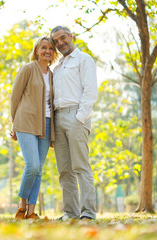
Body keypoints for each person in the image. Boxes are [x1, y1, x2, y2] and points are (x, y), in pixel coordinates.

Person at [50, 26, 98, 220]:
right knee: (64, 170)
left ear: (71, 37)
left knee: (81, 166)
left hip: (76, 115)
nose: (60, 43)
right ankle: (70, 213)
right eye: (56, 41)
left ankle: (88, 213)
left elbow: (90, 90)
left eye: (63, 38)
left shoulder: (83, 59)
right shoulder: (57, 67)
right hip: (58, 118)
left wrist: (80, 118)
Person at [10, 36, 58, 220]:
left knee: (39, 170)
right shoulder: (28, 69)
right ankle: (21, 205)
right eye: (43, 47)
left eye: (51, 48)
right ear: (37, 50)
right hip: (26, 122)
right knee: (32, 165)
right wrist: (14, 123)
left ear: (53, 53)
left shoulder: (53, 75)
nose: (47, 51)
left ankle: (31, 212)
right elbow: (15, 97)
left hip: (46, 124)